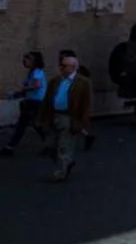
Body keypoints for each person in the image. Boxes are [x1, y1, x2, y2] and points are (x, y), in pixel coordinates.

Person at [44, 50, 92, 182]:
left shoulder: (82, 82)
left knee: (64, 146)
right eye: (60, 65)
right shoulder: (55, 81)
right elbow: (47, 99)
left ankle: (61, 171)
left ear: (73, 67)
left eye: (64, 66)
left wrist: (82, 122)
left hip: (69, 117)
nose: (61, 68)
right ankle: (67, 162)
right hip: (55, 115)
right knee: (52, 146)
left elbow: (86, 103)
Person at [2, 50, 48, 157]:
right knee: (34, 124)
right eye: (25, 57)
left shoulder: (37, 72)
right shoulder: (32, 72)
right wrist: (16, 94)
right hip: (31, 102)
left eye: (28, 58)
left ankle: (10, 147)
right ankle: (49, 142)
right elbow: (30, 89)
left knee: (22, 125)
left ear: (35, 61)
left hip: (35, 103)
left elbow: (36, 85)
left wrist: (22, 90)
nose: (25, 60)